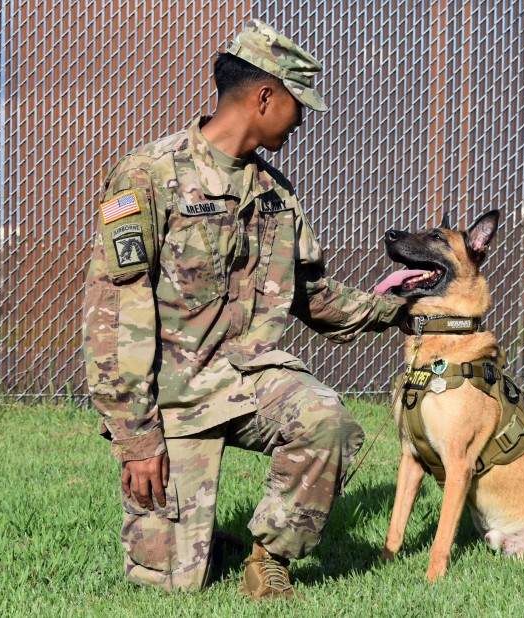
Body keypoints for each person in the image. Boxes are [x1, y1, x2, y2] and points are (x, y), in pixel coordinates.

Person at [83, 18, 408, 600]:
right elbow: (115, 321)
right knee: (172, 585)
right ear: (265, 96)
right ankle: (204, 545)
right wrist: (136, 440)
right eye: (297, 104)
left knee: (325, 417)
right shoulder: (149, 177)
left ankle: (269, 559)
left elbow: (314, 297)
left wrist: (397, 309)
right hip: (172, 400)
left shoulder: (275, 198)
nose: (302, 119)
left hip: (247, 382)